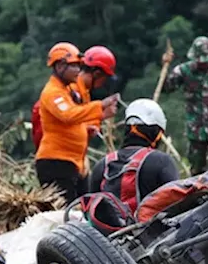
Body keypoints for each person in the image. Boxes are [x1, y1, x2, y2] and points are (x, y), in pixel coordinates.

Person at [36, 42, 118, 201]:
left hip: (73, 163)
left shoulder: (68, 91)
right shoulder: (52, 92)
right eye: (74, 66)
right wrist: (100, 106)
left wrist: (89, 127)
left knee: (81, 211)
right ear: (60, 66)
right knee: (64, 215)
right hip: (56, 163)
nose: (79, 71)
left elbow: (73, 121)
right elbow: (69, 115)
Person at [87, 99, 181, 212]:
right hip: (148, 229)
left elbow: (90, 208)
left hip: (106, 230)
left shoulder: (102, 165)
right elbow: (178, 205)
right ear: (157, 133)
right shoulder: (162, 162)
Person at [162, 36, 208, 173]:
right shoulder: (183, 71)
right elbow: (167, 88)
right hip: (196, 129)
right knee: (196, 170)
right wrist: (165, 65)